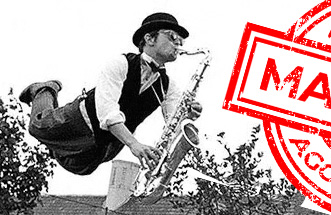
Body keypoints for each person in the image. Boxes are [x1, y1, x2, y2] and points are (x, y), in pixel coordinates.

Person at [20, 12, 202, 176]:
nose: (178, 44)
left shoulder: (169, 86)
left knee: (81, 169)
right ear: (150, 38)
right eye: (172, 37)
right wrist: (133, 144)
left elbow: (175, 124)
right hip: (80, 121)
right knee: (38, 125)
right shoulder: (120, 63)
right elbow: (108, 112)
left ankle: (58, 147)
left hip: (109, 142)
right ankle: (45, 89)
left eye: (181, 41)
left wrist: (186, 116)